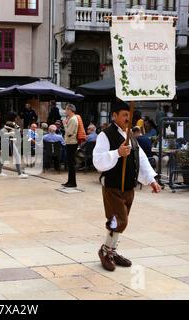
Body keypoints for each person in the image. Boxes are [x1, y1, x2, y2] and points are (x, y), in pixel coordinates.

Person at [93, 102, 161, 272]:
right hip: (113, 187)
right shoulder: (105, 135)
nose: (128, 118)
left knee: (120, 222)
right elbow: (97, 161)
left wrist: (151, 179)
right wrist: (117, 153)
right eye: (124, 115)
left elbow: (140, 157)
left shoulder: (129, 134)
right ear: (114, 116)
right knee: (118, 220)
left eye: (129, 115)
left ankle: (112, 251)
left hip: (129, 187)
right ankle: (105, 251)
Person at [0, 112, 28, 179]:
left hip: (7, 141)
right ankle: (20, 174)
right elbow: (6, 133)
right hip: (9, 141)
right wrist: (12, 133)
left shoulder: (8, 123)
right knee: (17, 157)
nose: (17, 118)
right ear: (13, 117)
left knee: (4, 157)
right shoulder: (11, 124)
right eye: (16, 117)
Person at [62, 104, 79, 188]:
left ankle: (72, 182)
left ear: (70, 110)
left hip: (72, 143)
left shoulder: (73, 119)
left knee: (71, 164)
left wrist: (64, 124)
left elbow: (69, 132)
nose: (65, 111)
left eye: (66, 109)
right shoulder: (71, 119)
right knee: (70, 163)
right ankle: (70, 181)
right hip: (70, 143)